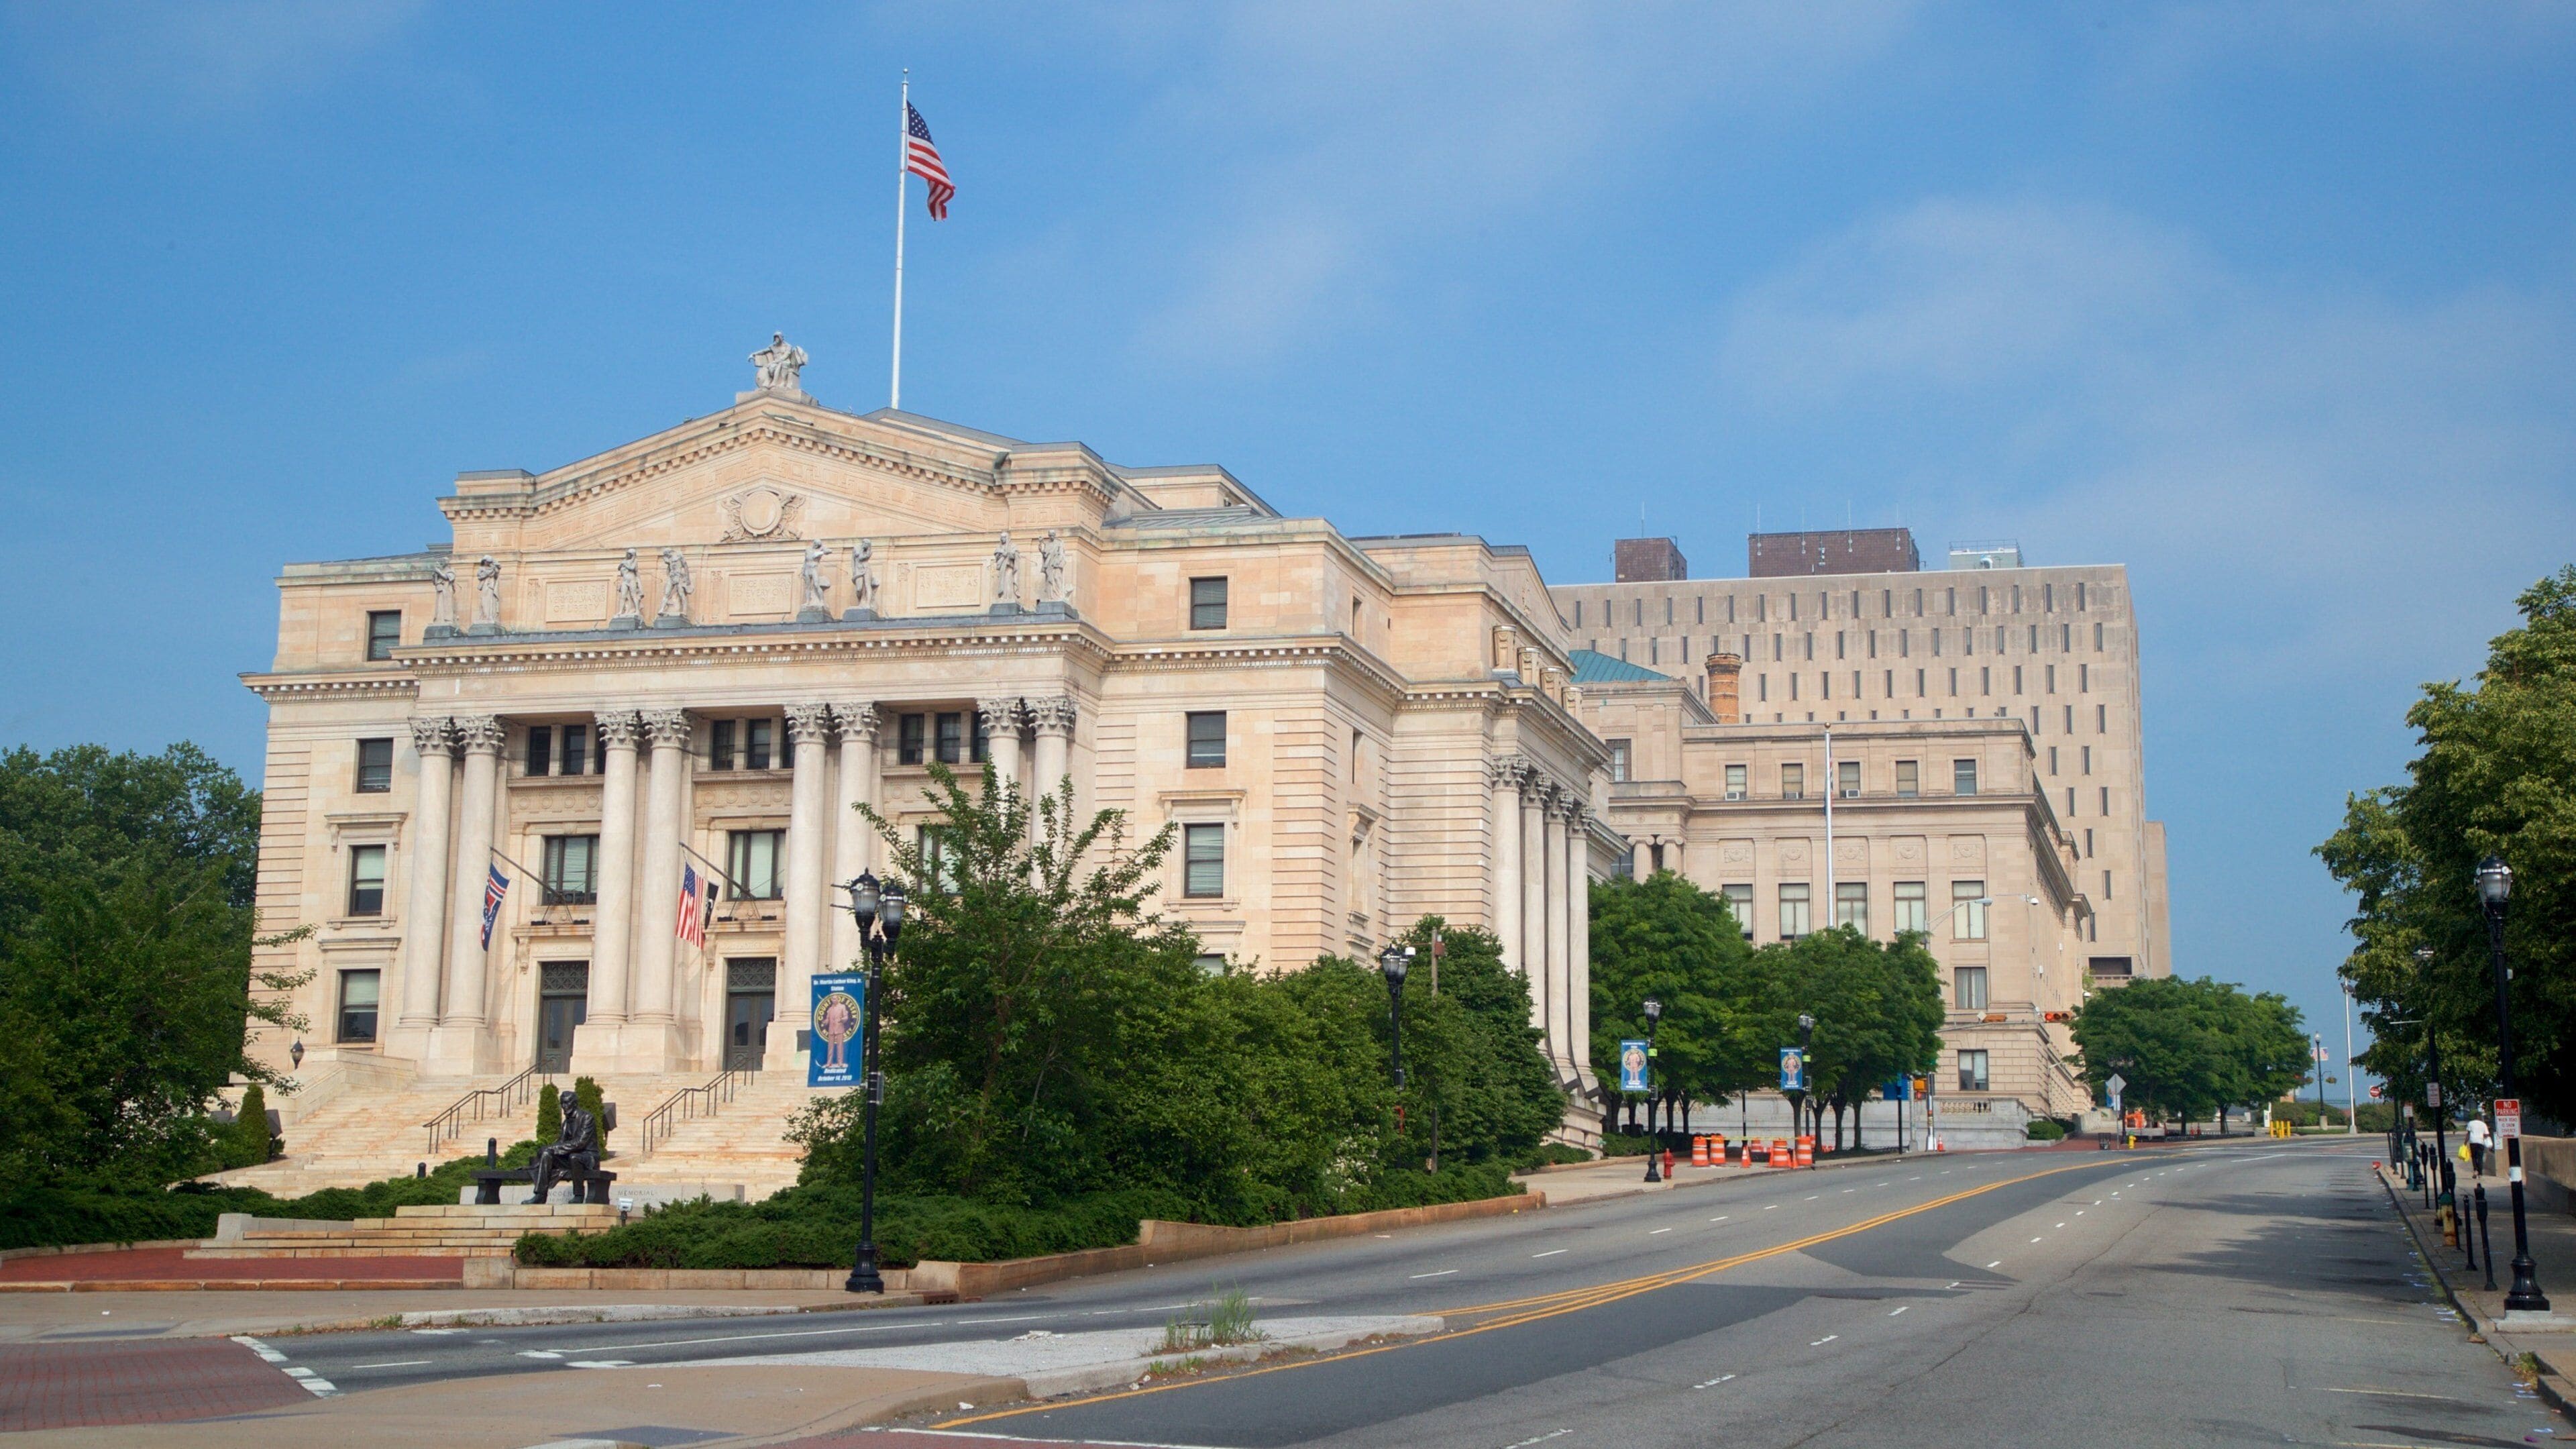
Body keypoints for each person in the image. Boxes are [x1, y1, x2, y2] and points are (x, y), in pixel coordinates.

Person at [527, 1099, 601, 1203]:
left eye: (567, 1103)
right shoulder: (566, 1122)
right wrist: (548, 1149)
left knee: (574, 1157)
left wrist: (554, 1148)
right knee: (547, 1154)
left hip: (589, 1156)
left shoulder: (587, 1118)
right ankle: (540, 1195)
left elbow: (580, 1143)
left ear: (575, 1104)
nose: (564, 1106)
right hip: (571, 1155)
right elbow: (561, 1142)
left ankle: (579, 1195)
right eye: (562, 1103)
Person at [2466, 1113, 2492, 1177]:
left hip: (2473, 1142)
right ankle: (2480, 1173)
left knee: (2474, 1157)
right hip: (2480, 1142)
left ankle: (2475, 1170)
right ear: (2481, 1118)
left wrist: (2465, 1142)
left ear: (2474, 1117)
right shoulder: (2483, 1124)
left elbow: (2468, 1134)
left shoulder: (2470, 1123)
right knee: (2480, 1158)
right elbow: (2487, 1134)